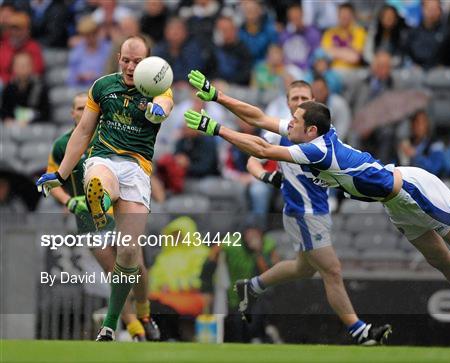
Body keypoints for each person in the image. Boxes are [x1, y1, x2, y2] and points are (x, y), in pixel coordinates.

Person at [185, 74, 450, 348]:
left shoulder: (314, 151)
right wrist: (216, 97)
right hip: (393, 202)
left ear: (310, 129)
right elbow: (259, 118)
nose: (287, 124)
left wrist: (214, 127)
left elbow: (261, 147)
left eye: (294, 119)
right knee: (440, 258)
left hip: (412, 189)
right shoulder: (310, 134)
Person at [187, 70, 392, 345]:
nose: (298, 103)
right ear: (287, 103)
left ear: (313, 105)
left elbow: (261, 136)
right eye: (294, 98)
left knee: (303, 268)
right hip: (303, 213)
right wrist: (266, 176)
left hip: (318, 209)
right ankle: (360, 331)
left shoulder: (313, 136)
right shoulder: (288, 132)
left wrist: (217, 117)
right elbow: (255, 149)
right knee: (332, 271)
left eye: (303, 99)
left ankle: (252, 286)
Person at [36, 35, 174, 342]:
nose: (129, 66)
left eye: (137, 62)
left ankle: (142, 312)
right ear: (119, 58)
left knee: (130, 255)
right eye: (125, 59)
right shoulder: (102, 87)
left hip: (137, 169)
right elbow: (84, 131)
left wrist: (159, 110)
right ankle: (116, 327)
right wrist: (60, 176)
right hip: (104, 161)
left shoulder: (158, 87)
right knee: (98, 181)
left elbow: (164, 104)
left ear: (148, 63)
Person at [46, 92, 157, 341]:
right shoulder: (62, 145)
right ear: (72, 113)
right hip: (88, 220)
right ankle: (137, 331)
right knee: (113, 272)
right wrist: (69, 201)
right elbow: (52, 180)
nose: (80, 112)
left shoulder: (108, 137)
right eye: (76, 108)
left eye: (84, 107)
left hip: (119, 212)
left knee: (136, 266)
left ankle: (144, 311)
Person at [200, 221, 281, 343]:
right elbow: (210, 260)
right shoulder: (231, 244)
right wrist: (207, 289)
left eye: (256, 232)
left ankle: (263, 336)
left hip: (260, 295)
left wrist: (258, 253)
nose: (252, 236)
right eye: (249, 232)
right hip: (235, 295)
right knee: (238, 325)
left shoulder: (269, 245)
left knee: (256, 316)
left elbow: (273, 273)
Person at [398, 110, 449, 178]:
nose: (419, 126)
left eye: (422, 122)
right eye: (416, 122)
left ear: (427, 124)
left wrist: (416, 155)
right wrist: (400, 154)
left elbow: (435, 169)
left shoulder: (436, 144)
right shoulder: (408, 143)